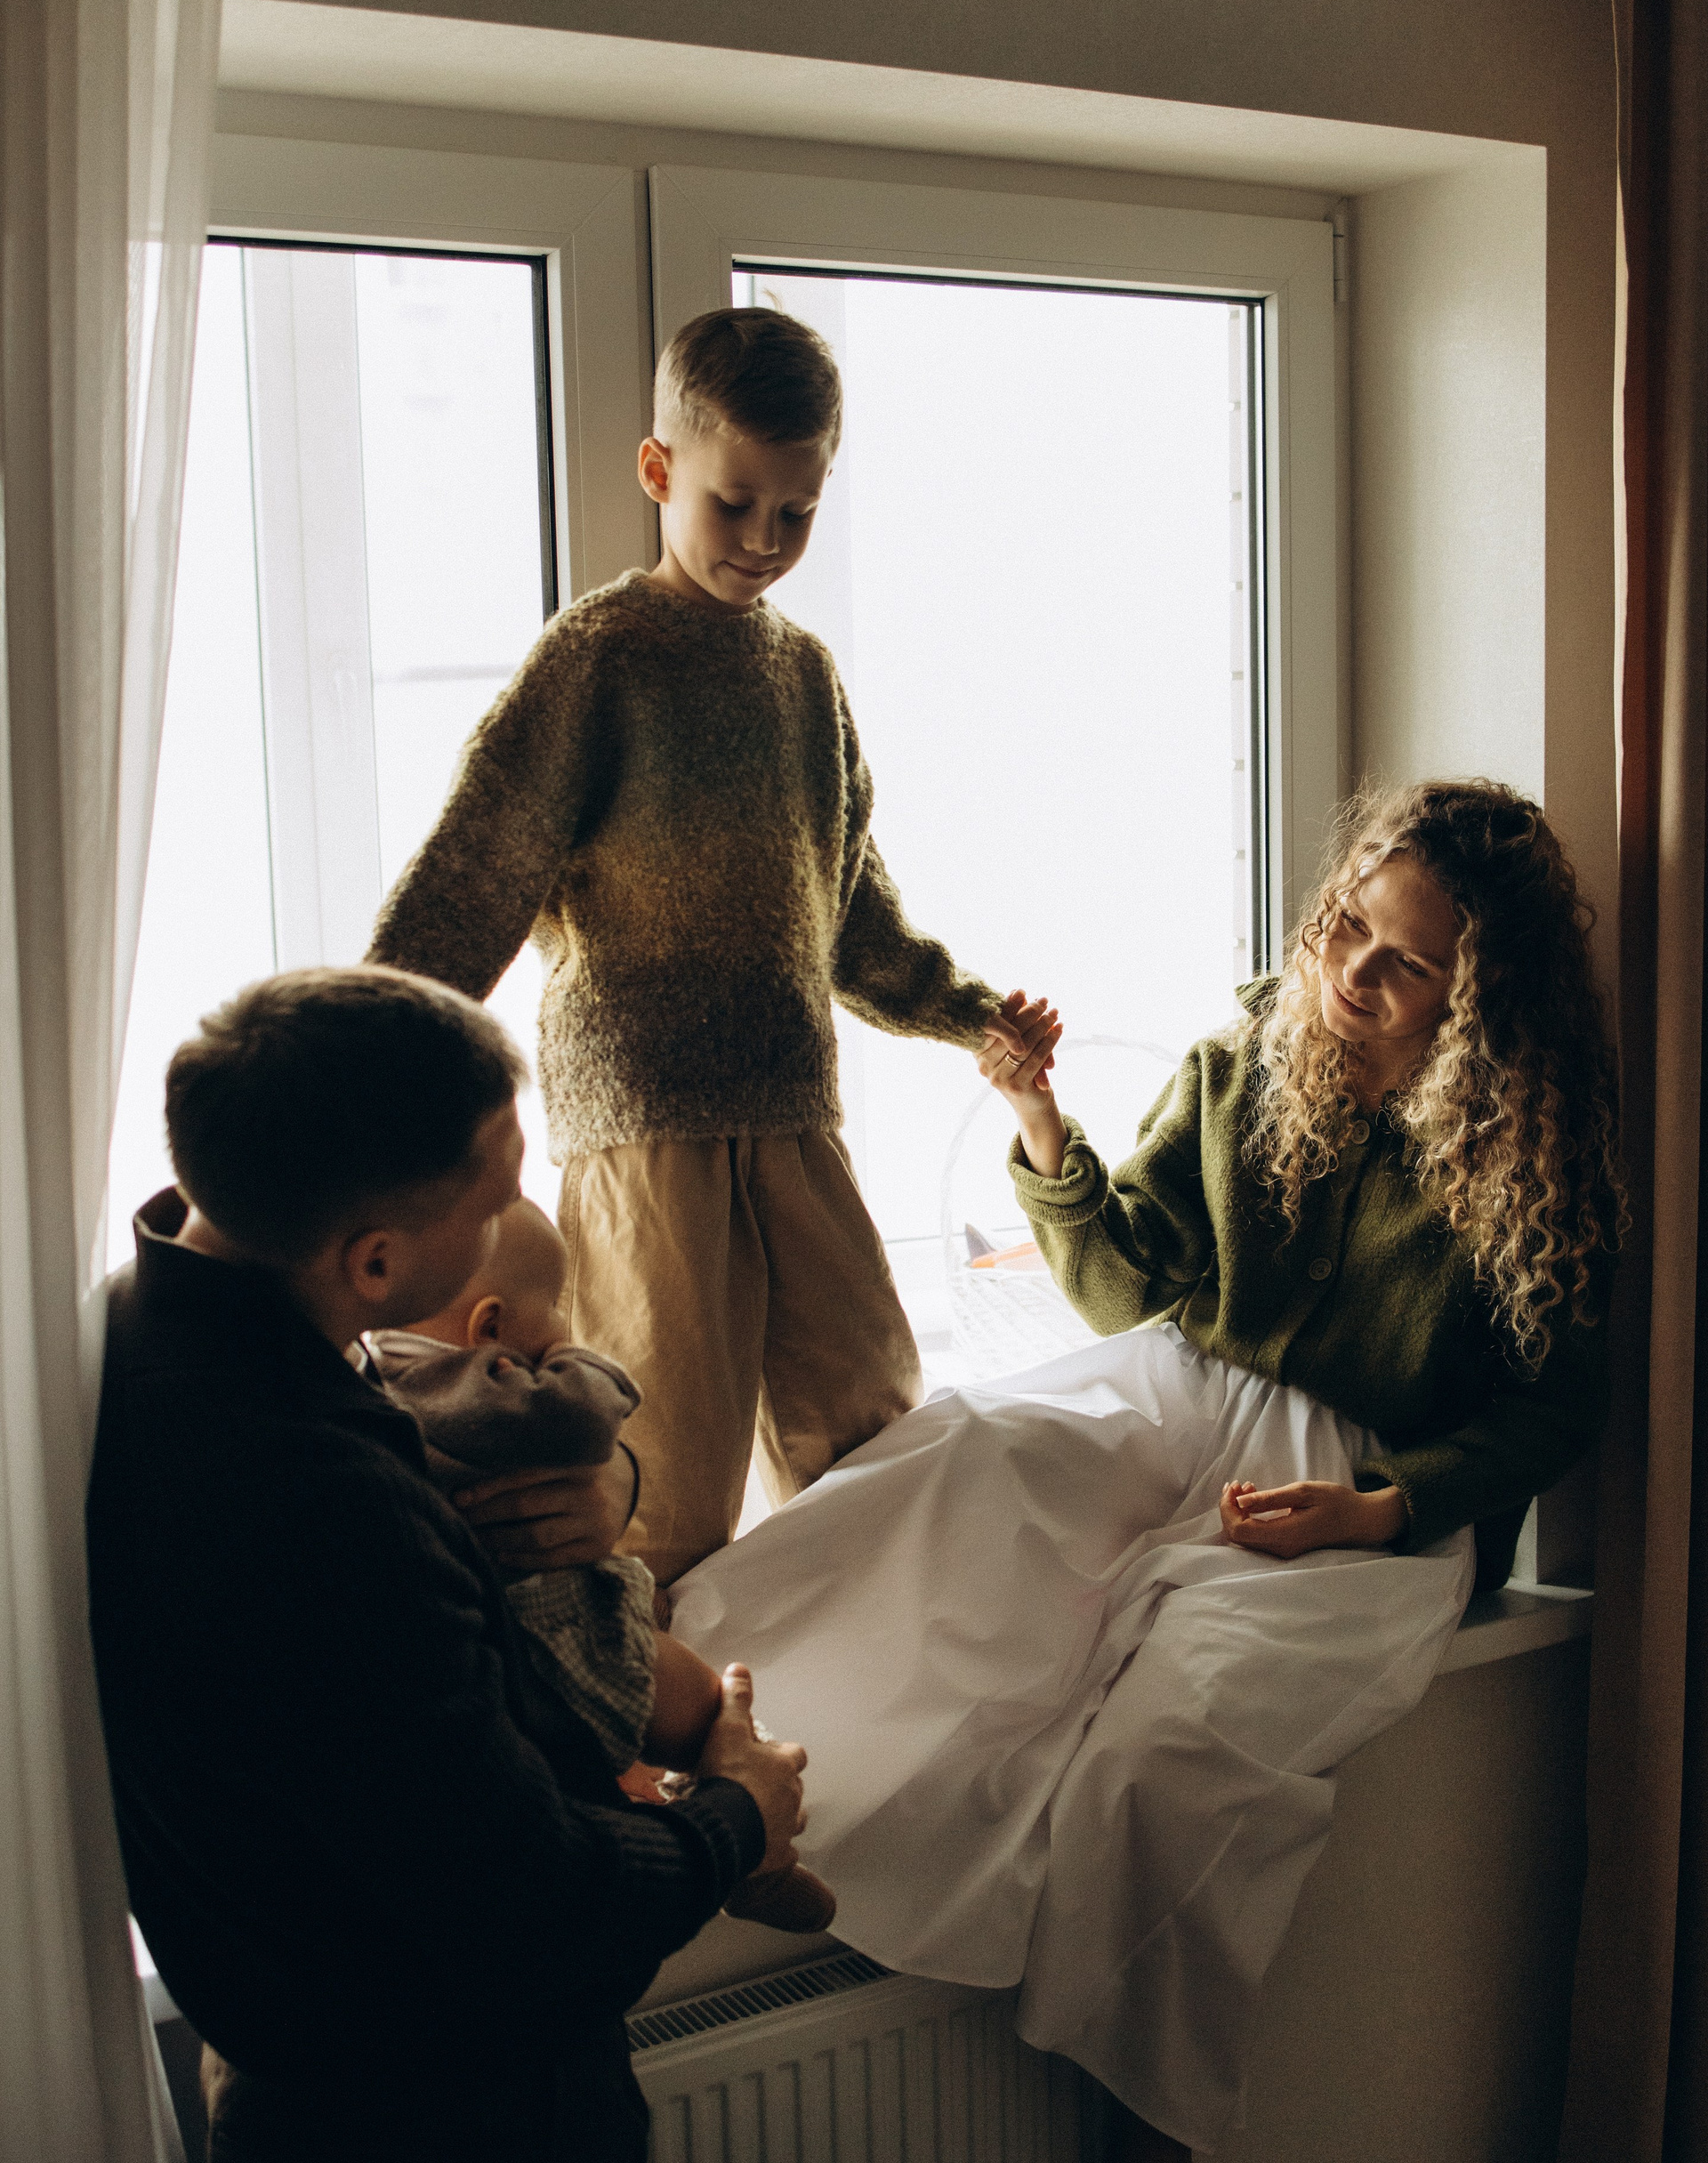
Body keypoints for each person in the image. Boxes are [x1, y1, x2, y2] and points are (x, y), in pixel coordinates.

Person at [669, 779, 1623, 2160]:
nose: (1355, 972)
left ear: (1479, 997)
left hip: (1369, 1498)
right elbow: (1127, 1288)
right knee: (963, 1466)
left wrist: (1383, 1506)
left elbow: (1556, 1409)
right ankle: (689, 1746)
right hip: (1175, 1398)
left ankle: (1146, 2131)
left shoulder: (1536, 1150)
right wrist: (1041, 1124)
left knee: (1167, 1751)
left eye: (1408, 964)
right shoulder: (1246, 1063)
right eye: (1349, 926)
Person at [86, 968, 810, 2163]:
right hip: (445, 2110)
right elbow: (530, 1903)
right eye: (497, 1200)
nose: (518, 1218)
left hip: (305, 2064)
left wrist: (597, 1497)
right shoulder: (311, 1503)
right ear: (374, 1265)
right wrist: (742, 1814)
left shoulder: (153, 1329)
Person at [367, 306, 1036, 1591]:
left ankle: (864, 1685)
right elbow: (477, 869)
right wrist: (359, 1047)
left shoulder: (806, 680)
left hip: (792, 1111)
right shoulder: (599, 658)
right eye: (735, 504)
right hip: (644, 1122)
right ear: (660, 470)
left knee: (872, 1428)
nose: (765, 540)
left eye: (798, 512)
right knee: (657, 1471)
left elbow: (849, 909)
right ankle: (651, 1701)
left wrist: (969, 1012)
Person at [370, 1197, 837, 1932]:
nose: (562, 1337)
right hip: (564, 1634)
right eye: (554, 1315)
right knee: (710, 1705)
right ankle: (761, 1864)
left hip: (524, 1642)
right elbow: (586, 1417)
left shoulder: (377, 1374)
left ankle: (734, 1837)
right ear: (489, 1327)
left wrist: (615, 1484)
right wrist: (576, 1360)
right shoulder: (473, 1387)